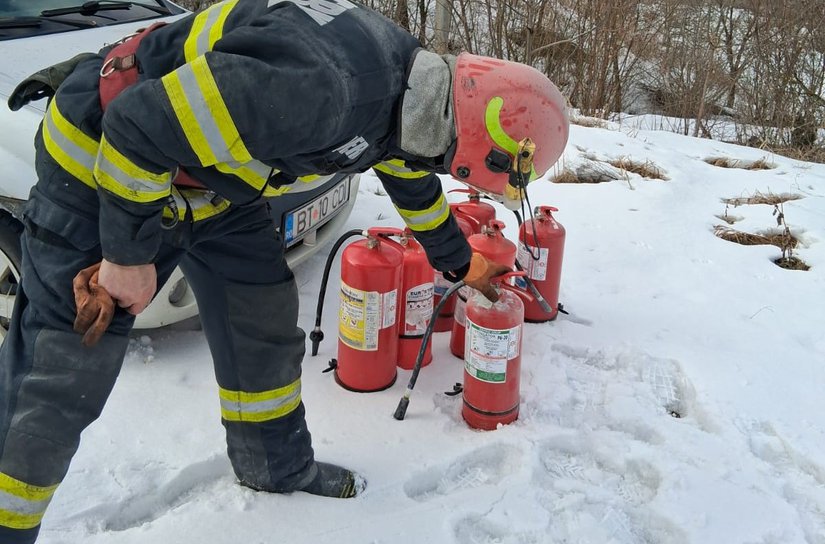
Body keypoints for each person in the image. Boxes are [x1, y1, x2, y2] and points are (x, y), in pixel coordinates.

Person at [0, 0, 568, 542]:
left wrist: (459, 263)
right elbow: (135, 127)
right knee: (63, 375)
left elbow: (408, 173)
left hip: (210, 188)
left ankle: (275, 468)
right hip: (104, 170)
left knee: (261, 321)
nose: (454, 177)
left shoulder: (412, 91)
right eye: (460, 170)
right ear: (473, 140)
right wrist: (126, 259)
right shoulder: (324, 88)